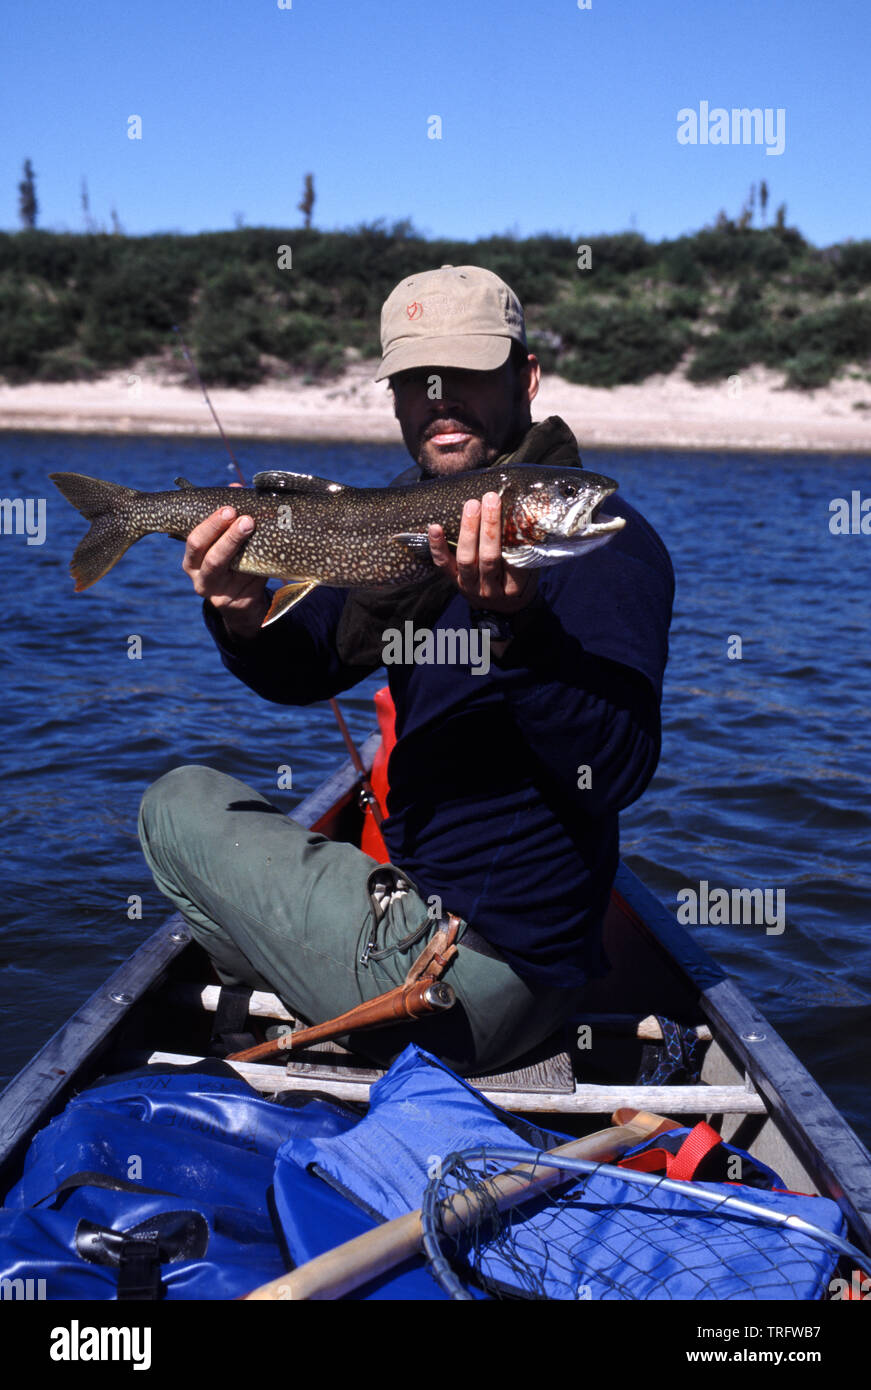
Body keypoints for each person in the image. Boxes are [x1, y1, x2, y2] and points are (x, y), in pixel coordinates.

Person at [138, 265, 674, 1074]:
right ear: (392, 397)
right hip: (432, 916)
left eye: (465, 373)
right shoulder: (398, 522)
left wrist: (517, 626)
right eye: (417, 381)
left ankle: (316, 1003)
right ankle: (327, 987)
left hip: (476, 978)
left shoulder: (602, 546)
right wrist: (241, 616)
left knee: (176, 805)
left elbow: (616, 771)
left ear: (525, 378)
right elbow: (308, 665)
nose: (439, 397)